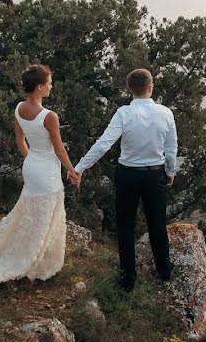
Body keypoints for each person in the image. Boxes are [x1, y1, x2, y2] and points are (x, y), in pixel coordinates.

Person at [0, 64, 78, 285]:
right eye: (48, 83)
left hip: (30, 165)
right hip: (47, 170)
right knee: (44, 215)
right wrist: (72, 170)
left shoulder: (19, 108)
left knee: (29, 213)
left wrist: (31, 160)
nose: (51, 86)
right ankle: (31, 260)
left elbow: (20, 141)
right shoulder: (50, 116)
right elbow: (59, 150)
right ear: (39, 87)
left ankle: (25, 251)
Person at [73, 68, 177, 291]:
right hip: (155, 175)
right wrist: (170, 172)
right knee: (157, 223)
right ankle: (164, 272)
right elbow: (171, 147)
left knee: (126, 225)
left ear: (129, 89)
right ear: (151, 87)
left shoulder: (123, 113)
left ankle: (128, 277)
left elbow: (104, 144)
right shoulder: (166, 113)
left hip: (128, 175)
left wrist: (80, 167)